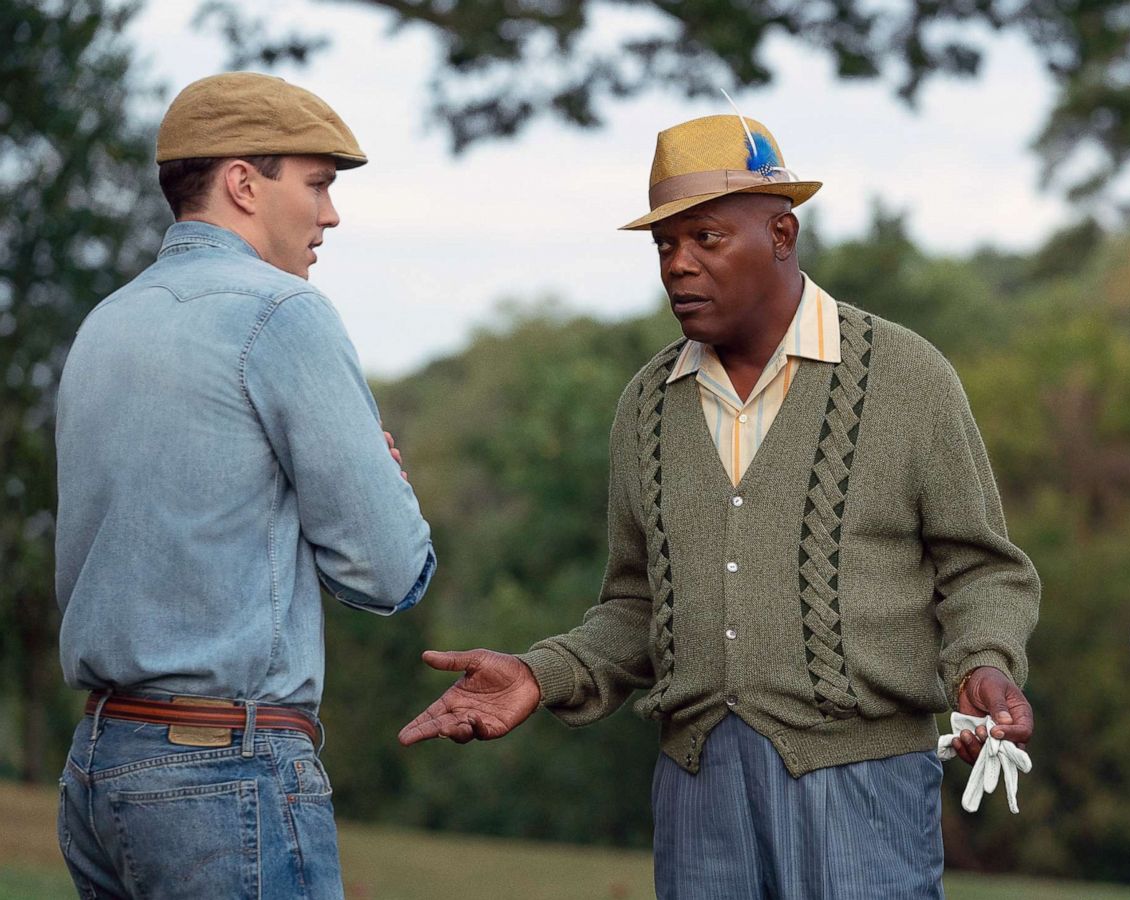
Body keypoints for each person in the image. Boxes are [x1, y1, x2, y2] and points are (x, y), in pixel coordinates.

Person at [398, 112, 1040, 899]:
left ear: (780, 233)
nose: (678, 265)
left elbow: (981, 568)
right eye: (666, 245)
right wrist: (544, 673)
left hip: (862, 784)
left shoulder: (907, 377)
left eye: (706, 238)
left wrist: (984, 663)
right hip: (697, 790)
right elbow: (636, 604)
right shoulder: (647, 404)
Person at [54, 72, 435, 899]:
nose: (331, 213)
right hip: (223, 770)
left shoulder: (106, 323)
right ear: (241, 182)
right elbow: (388, 569)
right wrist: (364, 479)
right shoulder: (283, 312)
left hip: (97, 765)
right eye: (318, 183)